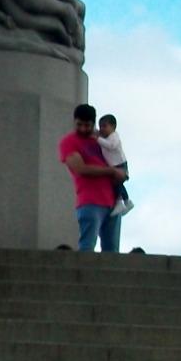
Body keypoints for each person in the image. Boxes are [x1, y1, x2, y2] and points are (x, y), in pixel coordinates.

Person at [58, 103, 125, 252]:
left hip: (113, 201)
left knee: (112, 251)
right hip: (90, 201)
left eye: (87, 125)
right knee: (87, 246)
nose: (83, 129)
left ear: (93, 124)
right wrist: (113, 171)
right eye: (79, 125)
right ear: (74, 122)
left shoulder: (100, 139)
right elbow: (80, 168)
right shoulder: (69, 142)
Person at [95, 114, 134, 215]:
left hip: (119, 164)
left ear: (113, 126)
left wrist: (97, 139)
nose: (102, 129)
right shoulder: (106, 138)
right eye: (100, 126)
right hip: (114, 165)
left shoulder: (114, 136)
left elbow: (111, 146)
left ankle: (121, 202)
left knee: (116, 183)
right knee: (117, 184)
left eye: (105, 126)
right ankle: (125, 202)